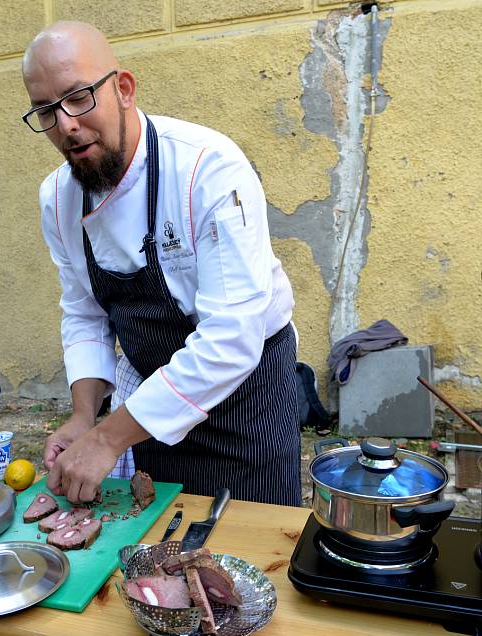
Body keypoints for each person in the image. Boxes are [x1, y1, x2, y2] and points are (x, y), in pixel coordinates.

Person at [21, 22, 301, 506]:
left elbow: (230, 341)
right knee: (164, 544)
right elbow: (85, 312)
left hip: (246, 402)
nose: (66, 124)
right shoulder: (58, 199)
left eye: (79, 97)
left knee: (254, 554)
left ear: (124, 89)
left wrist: (108, 438)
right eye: (46, 110)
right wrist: (85, 417)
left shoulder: (208, 170)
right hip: (152, 413)